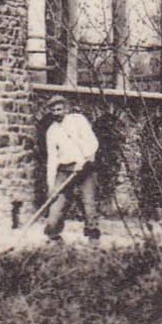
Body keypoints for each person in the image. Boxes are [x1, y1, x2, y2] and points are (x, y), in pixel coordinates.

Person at [42, 95, 101, 243]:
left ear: (66, 108)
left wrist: (84, 160)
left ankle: (93, 238)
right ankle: (54, 237)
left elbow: (92, 141)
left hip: (85, 168)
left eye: (59, 109)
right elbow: (52, 159)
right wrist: (51, 185)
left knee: (89, 204)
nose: (57, 113)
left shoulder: (78, 120)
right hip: (64, 170)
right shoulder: (51, 131)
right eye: (53, 110)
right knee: (56, 206)